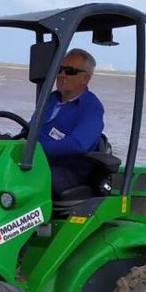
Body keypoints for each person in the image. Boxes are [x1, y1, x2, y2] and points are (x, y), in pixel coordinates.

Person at [37, 48, 104, 195]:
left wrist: (37, 150)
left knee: (31, 179)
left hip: (68, 171)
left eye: (70, 71)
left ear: (86, 78)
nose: (62, 75)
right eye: (59, 69)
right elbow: (30, 130)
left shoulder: (92, 108)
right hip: (37, 161)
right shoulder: (49, 100)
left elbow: (78, 145)